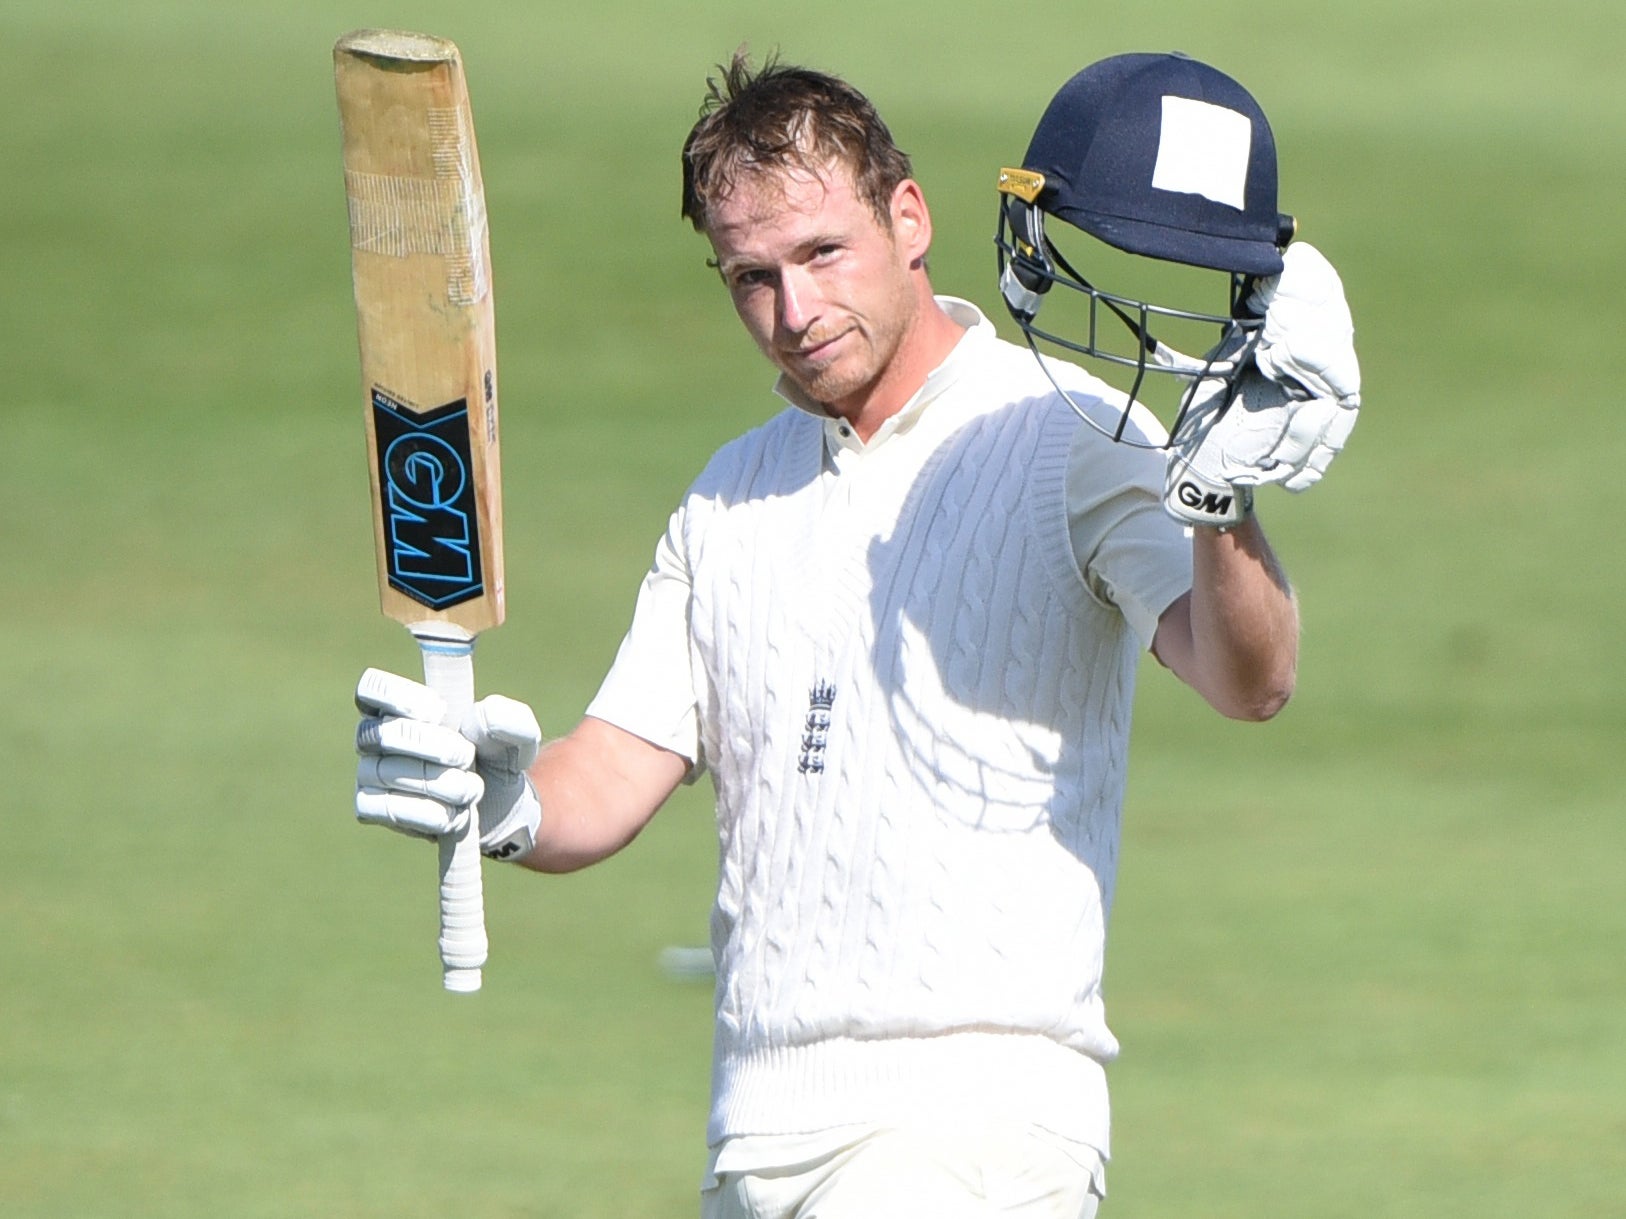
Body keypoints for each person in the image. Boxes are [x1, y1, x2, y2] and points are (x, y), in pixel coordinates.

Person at [352, 49, 1360, 1219]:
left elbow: (1252, 678)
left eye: (822, 253)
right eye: (751, 277)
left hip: (970, 1128)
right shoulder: (729, 498)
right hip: (759, 1135)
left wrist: (1220, 506)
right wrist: (501, 804)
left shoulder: (1072, 433)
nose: (795, 312)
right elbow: (614, 772)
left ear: (910, 218)